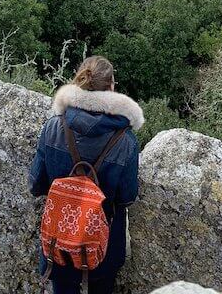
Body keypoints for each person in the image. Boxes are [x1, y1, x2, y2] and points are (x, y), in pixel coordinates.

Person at [30, 56, 144, 294]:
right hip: (102, 247)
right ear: (112, 87)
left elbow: (36, 183)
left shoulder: (53, 127)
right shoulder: (125, 141)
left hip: (59, 243)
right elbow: (127, 197)